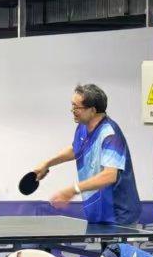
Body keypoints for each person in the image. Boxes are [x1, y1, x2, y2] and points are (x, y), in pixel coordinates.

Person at [30, 81, 142, 224]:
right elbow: (75, 149)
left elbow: (109, 175)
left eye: (77, 107)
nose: (72, 110)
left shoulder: (109, 134)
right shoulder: (83, 127)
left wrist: (73, 190)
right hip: (97, 211)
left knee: (115, 241)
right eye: (72, 106)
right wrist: (47, 163)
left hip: (119, 214)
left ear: (93, 110)